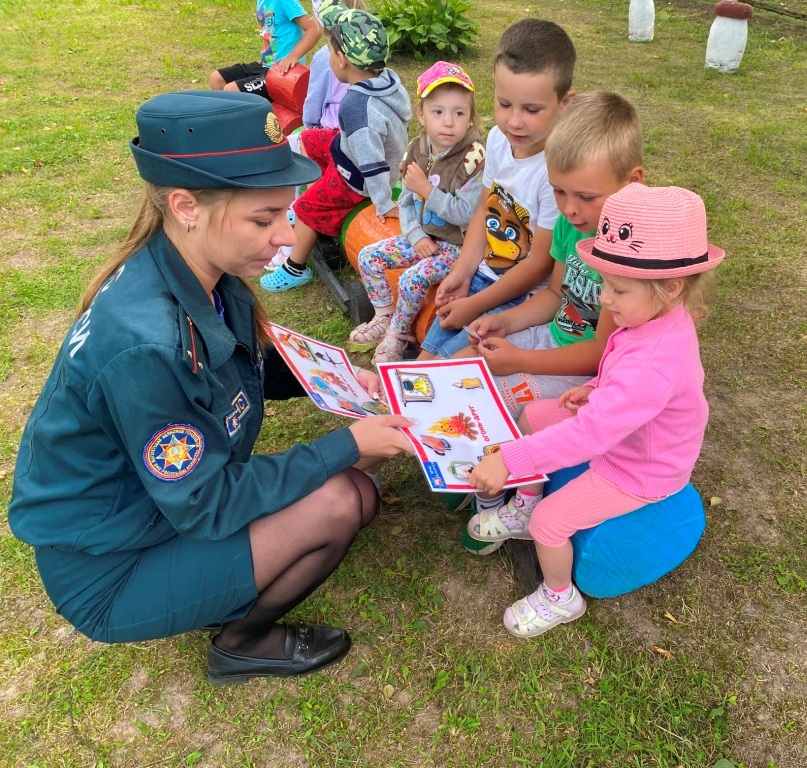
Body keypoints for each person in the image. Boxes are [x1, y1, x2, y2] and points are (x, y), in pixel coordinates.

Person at [7, 91, 414, 686]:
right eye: (263, 218)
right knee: (345, 499)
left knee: (350, 491)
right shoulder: (147, 342)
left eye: (285, 213)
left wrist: (347, 378)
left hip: (150, 513)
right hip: (110, 567)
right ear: (186, 206)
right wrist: (349, 445)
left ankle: (214, 587)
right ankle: (241, 643)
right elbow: (207, 501)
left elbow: (242, 367)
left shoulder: (193, 269)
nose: (284, 235)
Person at [466, 183, 724, 637]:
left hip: (641, 467)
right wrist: (597, 387)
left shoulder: (653, 362)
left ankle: (559, 596)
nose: (604, 299)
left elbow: (591, 436)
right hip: (627, 432)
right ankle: (525, 503)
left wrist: (509, 460)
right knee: (536, 415)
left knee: (552, 523)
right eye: (604, 282)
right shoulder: (652, 317)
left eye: (618, 290)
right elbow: (622, 376)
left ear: (671, 288)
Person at [460, 92, 645, 531]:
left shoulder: (629, 256)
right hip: (554, 339)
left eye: (584, 195)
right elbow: (556, 295)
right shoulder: (572, 222)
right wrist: (505, 321)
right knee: (466, 369)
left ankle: (493, 492)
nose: (568, 208)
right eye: (558, 191)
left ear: (632, 181)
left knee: (502, 396)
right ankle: (466, 472)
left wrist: (519, 359)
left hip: (587, 375)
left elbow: (599, 355)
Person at [417, 19, 576, 360]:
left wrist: (476, 304)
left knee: (453, 369)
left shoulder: (558, 173)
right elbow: (484, 210)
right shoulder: (496, 141)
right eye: (504, 104)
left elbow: (539, 265)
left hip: (520, 297)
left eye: (532, 110)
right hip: (480, 276)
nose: (514, 121)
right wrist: (461, 273)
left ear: (564, 102)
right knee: (426, 357)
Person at [259, 0, 411, 292]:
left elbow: (372, 164)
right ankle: (303, 192)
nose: (326, 56)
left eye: (328, 50)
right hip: (350, 148)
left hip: (357, 176)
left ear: (342, 59)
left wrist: (382, 201)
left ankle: (295, 267)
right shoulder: (389, 79)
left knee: (306, 206)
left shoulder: (356, 107)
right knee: (306, 139)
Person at [346, 61, 486, 364]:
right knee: (369, 257)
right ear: (422, 114)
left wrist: (427, 190)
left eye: (458, 113)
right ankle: (384, 315)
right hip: (422, 236)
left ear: (470, 117)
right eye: (438, 112)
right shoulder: (416, 149)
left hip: (455, 248)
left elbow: (466, 214)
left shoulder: (473, 159)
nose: (448, 122)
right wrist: (415, 233)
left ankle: (399, 333)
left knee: (412, 280)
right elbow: (407, 202)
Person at [209, 0, 319, 95]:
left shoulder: (284, 1)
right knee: (216, 78)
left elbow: (314, 29)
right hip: (265, 66)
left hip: (282, 72)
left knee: (231, 90)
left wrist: (293, 56)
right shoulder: (262, 1)